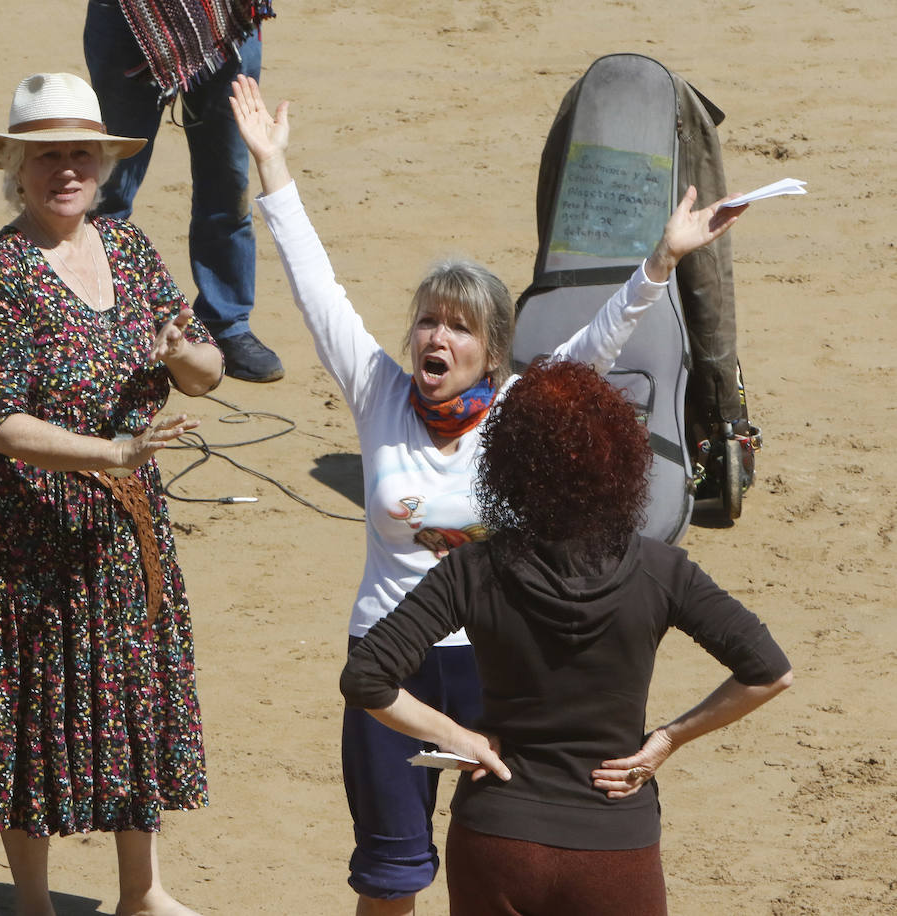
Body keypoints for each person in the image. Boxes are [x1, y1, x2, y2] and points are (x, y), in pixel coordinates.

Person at [229, 74, 748, 915]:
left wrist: (662, 260)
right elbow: (318, 291)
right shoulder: (377, 393)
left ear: (494, 350)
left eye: (461, 325)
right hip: (392, 661)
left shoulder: (519, 410)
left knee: (496, 849)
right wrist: (273, 170)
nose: (438, 336)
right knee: (392, 871)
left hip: (499, 668)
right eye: (430, 320)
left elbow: (601, 338)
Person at [340, 358, 793, 914]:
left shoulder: (474, 568)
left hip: (496, 839)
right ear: (621, 460)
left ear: (508, 462)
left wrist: (461, 738)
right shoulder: (663, 570)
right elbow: (770, 670)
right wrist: (668, 739)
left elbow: (367, 678)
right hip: (615, 848)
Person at [0, 72, 223, 916]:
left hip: (123, 522)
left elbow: (204, 371)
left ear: (103, 165)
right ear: (18, 169)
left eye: (80, 155)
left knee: (132, 686)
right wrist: (114, 450)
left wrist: (180, 353)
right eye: (48, 155)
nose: (67, 170)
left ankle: (144, 889)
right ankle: (33, 900)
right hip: (26, 523)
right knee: (24, 704)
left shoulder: (131, 251)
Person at [84, 0, 283, 382]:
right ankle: (90, 326)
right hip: (130, 15)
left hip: (226, 17)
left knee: (228, 181)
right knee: (107, 185)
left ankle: (226, 324)